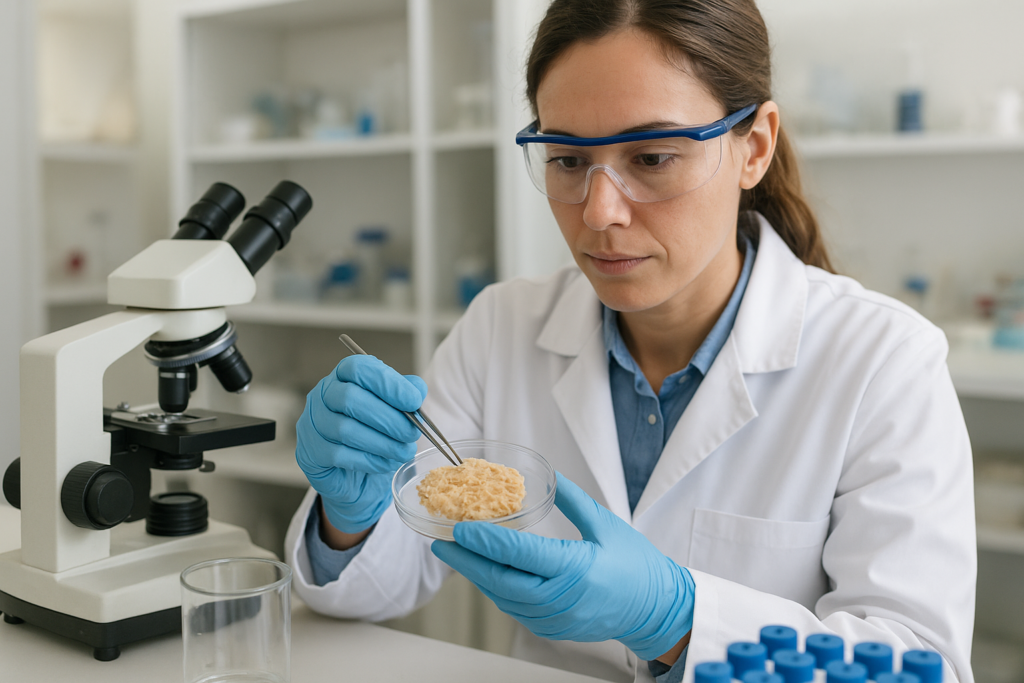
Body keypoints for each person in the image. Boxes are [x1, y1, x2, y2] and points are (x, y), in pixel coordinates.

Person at [283, 2, 976, 682]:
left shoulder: (885, 361)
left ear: (754, 147)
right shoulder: (500, 326)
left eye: (650, 156)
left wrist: (677, 618)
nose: (600, 212)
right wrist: (352, 516)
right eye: (566, 160)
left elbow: (919, 661)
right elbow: (379, 585)